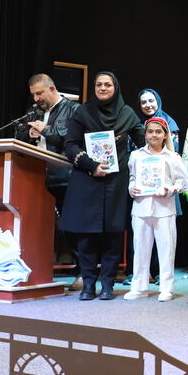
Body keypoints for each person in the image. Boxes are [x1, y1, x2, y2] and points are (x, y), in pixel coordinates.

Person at [61, 72, 145, 301]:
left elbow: (144, 144)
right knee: (86, 237)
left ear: (115, 88)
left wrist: (162, 158)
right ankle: (88, 284)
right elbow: (70, 145)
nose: (103, 88)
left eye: (108, 84)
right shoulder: (82, 112)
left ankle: (108, 284)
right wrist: (92, 165)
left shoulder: (127, 114)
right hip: (87, 180)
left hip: (116, 184)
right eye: (99, 84)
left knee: (113, 235)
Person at [16, 73, 79, 262]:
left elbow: (71, 139)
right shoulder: (34, 110)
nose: (36, 99)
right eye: (33, 95)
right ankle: (37, 266)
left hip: (63, 177)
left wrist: (46, 130)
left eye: (39, 93)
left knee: (70, 225)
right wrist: (28, 133)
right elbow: (18, 134)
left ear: (52, 89)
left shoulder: (73, 109)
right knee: (37, 224)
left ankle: (83, 269)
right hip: (34, 175)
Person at [126, 117, 188, 301]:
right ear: (145, 134)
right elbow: (132, 177)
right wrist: (132, 188)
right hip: (141, 207)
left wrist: (170, 190)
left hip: (164, 209)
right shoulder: (136, 156)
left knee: (166, 248)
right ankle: (139, 287)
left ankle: (166, 288)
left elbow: (183, 182)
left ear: (165, 135)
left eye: (158, 132)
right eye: (150, 131)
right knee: (140, 248)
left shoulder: (172, 157)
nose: (154, 135)